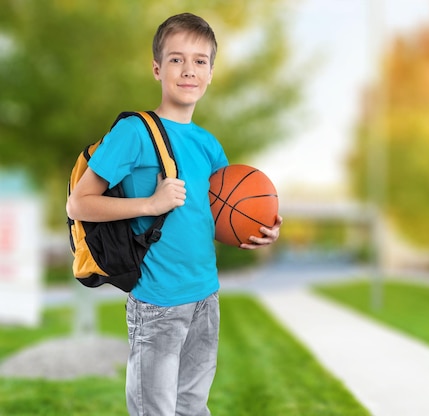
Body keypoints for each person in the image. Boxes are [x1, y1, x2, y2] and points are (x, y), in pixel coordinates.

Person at [66, 12, 282, 415]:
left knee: (193, 408)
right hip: (157, 303)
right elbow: (78, 203)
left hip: (206, 297)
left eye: (200, 61)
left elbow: (211, 216)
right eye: (177, 59)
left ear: (211, 72)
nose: (189, 70)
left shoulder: (208, 144)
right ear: (157, 68)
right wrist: (150, 204)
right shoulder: (134, 133)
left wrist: (255, 230)